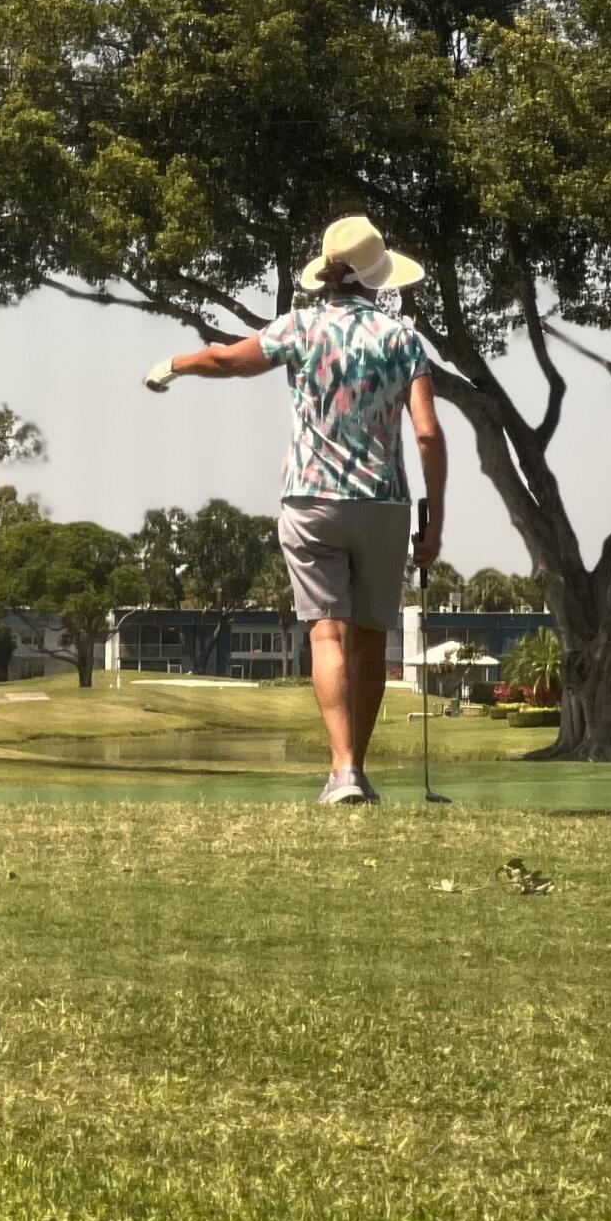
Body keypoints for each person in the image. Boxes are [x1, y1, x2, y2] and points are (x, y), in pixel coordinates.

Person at [145, 214, 447, 804]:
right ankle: (355, 767)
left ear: (327, 276)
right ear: (376, 277)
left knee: (326, 634)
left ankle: (342, 773)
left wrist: (175, 365)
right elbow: (429, 435)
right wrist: (433, 522)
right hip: (383, 504)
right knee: (368, 638)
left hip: (310, 500)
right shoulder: (402, 338)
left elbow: (229, 359)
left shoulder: (300, 327)